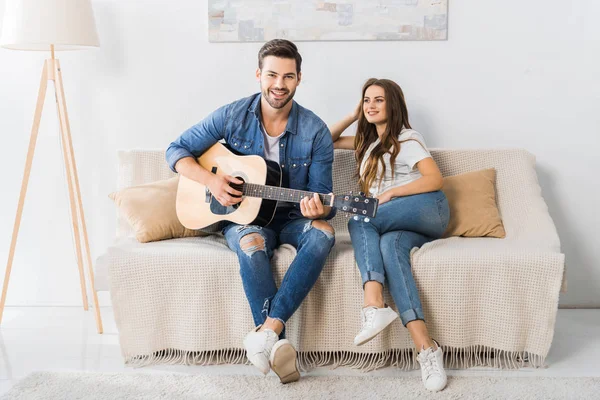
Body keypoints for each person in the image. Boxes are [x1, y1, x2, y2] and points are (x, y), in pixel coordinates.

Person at [165, 39, 335, 384]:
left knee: (324, 234)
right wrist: (210, 182)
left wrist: (320, 208)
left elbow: (322, 200)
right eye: (272, 74)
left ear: (299, 79)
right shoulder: (231, 115)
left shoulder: (315, 130)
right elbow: (176, 149)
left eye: (288, 76)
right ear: (258, 75)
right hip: (242, 219)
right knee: (252, 243)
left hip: (290, 217)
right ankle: (279, 346)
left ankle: (268, 332)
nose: (279, 84)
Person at [329, 78, 450, 392]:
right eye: (367, 100)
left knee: (360, 216)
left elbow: (434, 179)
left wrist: (393, 193)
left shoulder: (406, 138)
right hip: (396, 227)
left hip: (427, 208)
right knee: (388, 246)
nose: (371, 105)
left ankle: (373, 305)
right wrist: (355, 115)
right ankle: (427, 348)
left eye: (378, 100)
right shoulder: (366, 144)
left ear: (393, 104)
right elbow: (325, 140)